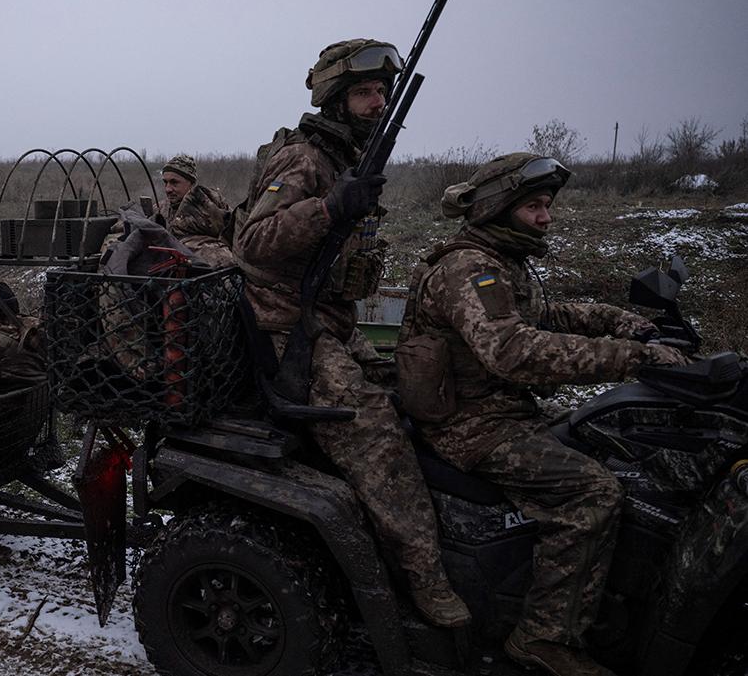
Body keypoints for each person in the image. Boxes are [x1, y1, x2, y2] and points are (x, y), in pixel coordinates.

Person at [396, 152, 688, 676]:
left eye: (547, 206)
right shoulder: (471, 268)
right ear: (500, 208)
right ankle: (542, 637)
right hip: (471, 425)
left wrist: (626, 323)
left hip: (503, 410)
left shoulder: (502, 262)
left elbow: (546, 314)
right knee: (593, 492)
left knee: (617, 446)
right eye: (534, 206)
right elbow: (511, 349)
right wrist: (633, 358)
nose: (546, 217)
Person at [231, 38, 470, 627]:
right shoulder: (306, 160)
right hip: (285, 325)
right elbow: (252, 245)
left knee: (417, 388)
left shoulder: (348, 158)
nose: (377, 101)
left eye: (382, 92)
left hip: (329, 320)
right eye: (364, 92)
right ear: (335, 99)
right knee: (376, 431)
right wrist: (330, 208)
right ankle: (425, 581)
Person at [155, 153, 233, 267]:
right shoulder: (160, 208)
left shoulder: (212, 206)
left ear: (191, 184)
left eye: (174, 182)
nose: (168, 189)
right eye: (165, 182)